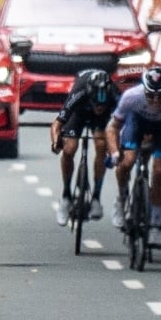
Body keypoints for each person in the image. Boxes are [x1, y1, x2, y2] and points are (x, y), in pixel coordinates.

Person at [106, 67, 161, 245]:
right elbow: (113, 127)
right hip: (137, 122)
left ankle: (156, 225)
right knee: (127, 161)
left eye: (160, 96)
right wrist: (115, 153)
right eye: (151, 96)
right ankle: (122, 198)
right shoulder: (132, 96)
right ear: (144, 91)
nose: (155, 100)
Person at [50, 69, 119, 226]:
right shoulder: (79, 91)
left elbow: (120, 124)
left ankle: (96, 197)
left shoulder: (114, 94)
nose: (99, 107)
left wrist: (113, 146)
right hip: (79, 113)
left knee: (101, 145)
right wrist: (55, 142)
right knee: (70, 148)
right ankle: (66, 196)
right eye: (96, 103)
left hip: (102, 120)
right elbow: (57, 123)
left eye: (102, 104)